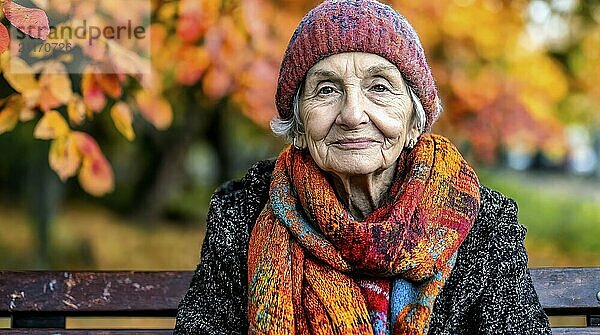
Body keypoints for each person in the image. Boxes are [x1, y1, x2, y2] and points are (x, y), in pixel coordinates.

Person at [175, 0, 551, 334]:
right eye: (326, 90)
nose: (353, 115)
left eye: (380, 88)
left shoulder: (483, 225)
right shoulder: (242, 216)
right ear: (299, 126)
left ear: (414, 123)